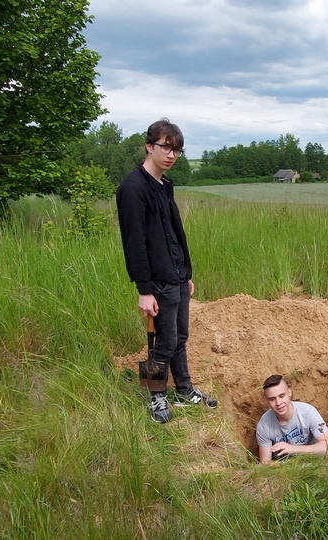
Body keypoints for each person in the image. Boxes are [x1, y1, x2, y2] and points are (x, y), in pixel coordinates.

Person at [116, 118, 216, 424]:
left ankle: (183, 390)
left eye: (177, 150)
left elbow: (174, 232)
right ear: (149, 146)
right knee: (165, 341)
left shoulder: (165, 185)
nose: (171, 155)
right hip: (157, 280)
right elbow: (134, 242)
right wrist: (144, 289)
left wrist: (186, 273)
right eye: (165, 147)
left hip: (177, 275)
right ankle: (155, 395)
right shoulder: (133, 188)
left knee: (180, 337)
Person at [255, 374, 328, 463]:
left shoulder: (308, 412)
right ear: (266, 401)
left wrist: (293, 449)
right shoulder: (264, 425)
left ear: (289, 393)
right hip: (284, 469)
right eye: (272, 399)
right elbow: (265, 463)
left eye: (281, 396)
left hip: (314, 463)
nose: (278, 403)